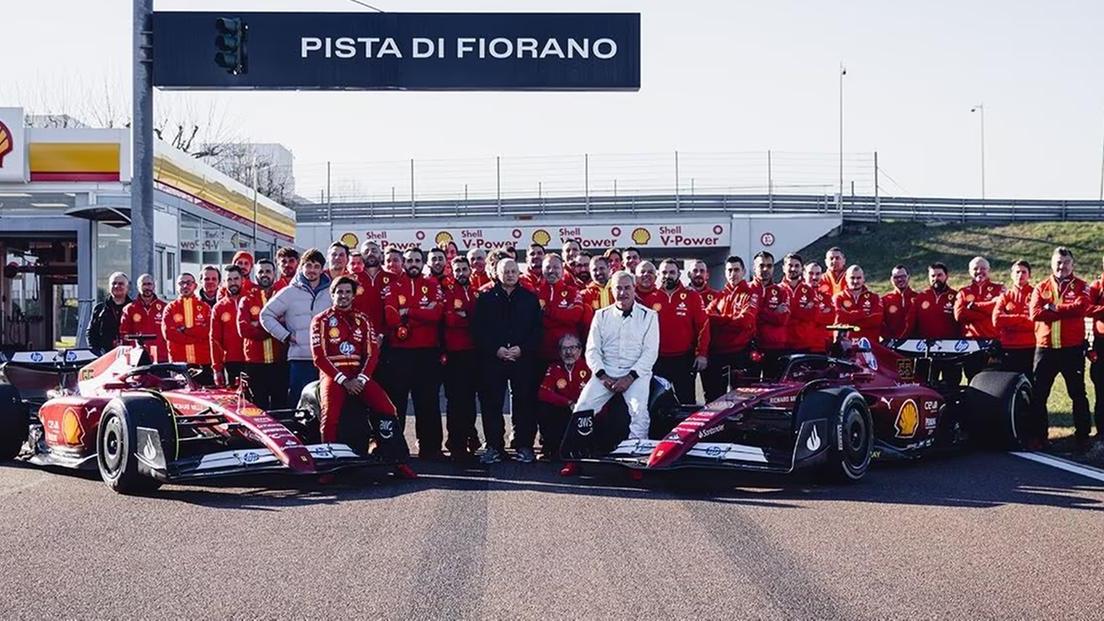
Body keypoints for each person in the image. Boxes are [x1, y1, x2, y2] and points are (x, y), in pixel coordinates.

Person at [310, 276, 416, 481]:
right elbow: (319, 357)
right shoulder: (321, 320)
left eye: (347, 292)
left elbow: (372, 354)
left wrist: (361, 379)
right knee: (330, 415)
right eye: (339, 292)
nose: (343, 296)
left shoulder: (363, 319)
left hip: (359, 375)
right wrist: (343, 380)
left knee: (388, 408)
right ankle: (329, 466)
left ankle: (397, 459)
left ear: (353, 294)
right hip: (334, 375)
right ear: (332, 294)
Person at [562, 270, 659, 475]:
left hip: (636, 374)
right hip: (605, 373)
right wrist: (602, 376)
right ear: (612, 290)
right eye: (618, 288)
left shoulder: (649, 316)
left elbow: (650, 353)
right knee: (582, 408)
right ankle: (575, 457)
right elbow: (592, 350)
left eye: (627, 288)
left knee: (639, 412)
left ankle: (636, 461)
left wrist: (630, 377)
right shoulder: (601, 315)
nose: (622, 293)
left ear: (634, 289)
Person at [472, 258, 543, 464]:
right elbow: (478, 330)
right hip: (494, 359)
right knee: (491, 404)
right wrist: (496, 349)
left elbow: (537, 330)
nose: (510, 274)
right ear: (496, 272)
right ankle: (494, 446)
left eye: (513, 271)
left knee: (524, 403)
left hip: (523, 359)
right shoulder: (485, 298)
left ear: (518, 273)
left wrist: (522, 349)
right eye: (506, 271)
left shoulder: (530, 298)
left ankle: (524, 445)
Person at [381, 248, 445, 459]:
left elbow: (436, 314)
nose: (413, 264)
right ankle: (396, 448)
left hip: (427, 353)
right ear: (404, 263)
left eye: (417, 260)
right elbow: (391, 318)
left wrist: (409, 311)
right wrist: (422, 313)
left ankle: (431, 448)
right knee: (397, 402)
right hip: (400, 353)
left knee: (428, 402)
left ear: (423, 262)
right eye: (409, 261)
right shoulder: (392, 286)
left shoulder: (432, 285)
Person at [1030, 247, 1093, 452]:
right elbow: (1035, 314)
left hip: (1071, 350)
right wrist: (1065, 311)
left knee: (1078, 394)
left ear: (1072, 265)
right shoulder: (1041, 286)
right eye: (1058, 262)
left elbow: (1081, 308)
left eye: (1066, 262)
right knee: (1039, 394)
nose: (1062, 266)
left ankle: (1082, 436)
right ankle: (1040, 436)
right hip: (1045, 349)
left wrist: (1054, 309)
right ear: (1051, 264)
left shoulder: (1082, 285)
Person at [261, 248, 332, 407]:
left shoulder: (331, 293)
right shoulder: (290, 292)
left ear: (322, 269)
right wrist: (286, 336)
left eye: (316, 266)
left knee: (325, 403)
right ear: (302, 267)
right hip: (300, 358)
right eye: (308, 265)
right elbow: (265, 315)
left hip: (327, 359)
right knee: (299, 402)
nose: (312, 270)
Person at [638, 258, 709, 404]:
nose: (668, 276)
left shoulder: (692, 296)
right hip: (657, 361)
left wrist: (701, 354)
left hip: (683, 360)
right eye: (664, 272)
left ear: (679, 274)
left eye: (672, 272)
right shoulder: (651, 298)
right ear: (658, 274)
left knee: (687, 401)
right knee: (658, 401)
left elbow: (703, 326)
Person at [702, 256, 758, 401]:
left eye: (736, 270)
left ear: (744, 271)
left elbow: (745, 321)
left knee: (741, 398)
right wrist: (730, 319)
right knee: (714, 396)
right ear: (725, 273)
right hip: (718, 353)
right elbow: (706, 317)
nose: (733, 274)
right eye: (730, 270)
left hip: (740, 353)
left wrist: (720, 320)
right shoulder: (720, 295)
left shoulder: (750, 294)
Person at [442, 256, 480, 461]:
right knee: (456, 401)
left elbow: (478, 320)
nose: (461, 273)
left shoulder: (476, 293)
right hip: (454, 354)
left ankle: (470, 437)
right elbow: (450, 318)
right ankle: (456, 443)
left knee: (470, 401)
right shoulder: (448, 293)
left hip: (473, 354)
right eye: (457, 270)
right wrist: (464, 316)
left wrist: (465, 316)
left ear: (470, 271)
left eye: (464, 269)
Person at [238, 259, 288, 411]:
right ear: (255, 275)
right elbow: (244, 329)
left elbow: (288, 324)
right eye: (260, 271)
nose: (264, 275)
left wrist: (257, 324)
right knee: (258, 406)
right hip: (255, 363)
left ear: (275, 274)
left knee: (280, 404)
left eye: (268, 271)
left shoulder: (283, 298)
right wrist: (273, 328)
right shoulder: (246, 300)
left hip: (279, 361)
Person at [537, 333, 590, 460]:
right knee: (544, 408)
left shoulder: (589, 367)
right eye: (564, 348)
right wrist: (567, 402)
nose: (569, 352)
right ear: (559, 352)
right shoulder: (554, 368)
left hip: (584, 413)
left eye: (572, 348)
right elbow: (543, 392)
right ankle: (550, 448)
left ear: (580, 350)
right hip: (565, 411)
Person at [909, 263, 960, 386]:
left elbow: (961, 323)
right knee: (924, 385)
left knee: (952, 385)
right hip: (926, 351)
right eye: (932, 276)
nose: (935, 278)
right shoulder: (921, 297)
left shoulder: (955, 296)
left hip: (950, 351)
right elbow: (911, 324)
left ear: (946, 276)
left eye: (939, 275)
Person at [954, 256, 1004, 378]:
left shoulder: (999, 289)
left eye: (983, 268)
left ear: (989, 270)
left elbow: (999, 310)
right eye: (975, 268)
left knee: (994, 381)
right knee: (973, 379)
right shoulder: (964, 292)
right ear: (969, 271)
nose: (979, 271)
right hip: (972, 344)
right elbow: (959, 315)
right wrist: (987, 311)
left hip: (994, 343)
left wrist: (973, 307)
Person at [162, 272, 214, 385]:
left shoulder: (205, 308)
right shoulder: (170, 308)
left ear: (195, 286)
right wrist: (197, 338)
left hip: (203, 362)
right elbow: (169, 334)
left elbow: (208, 332)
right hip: (179, 365)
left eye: (188, 283)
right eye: (181, 283)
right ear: (176, 286)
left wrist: (186, 330)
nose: (185, 286)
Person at [536, 254, 585, 363]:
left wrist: (548, 311)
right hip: (543, 353)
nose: (551, 270)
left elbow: (575, 316)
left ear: (563, 270)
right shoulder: (536, 292)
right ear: (542, 270)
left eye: (556, 267)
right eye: (548, 267)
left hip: (569, 353)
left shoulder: (572, 291)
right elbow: (538, 321)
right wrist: (564, 314)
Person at [750, 251, 791, 375]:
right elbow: (749, 317)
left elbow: (782, 320)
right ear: (754, 268)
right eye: (761, 265)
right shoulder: (746, 289)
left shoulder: (782, 291)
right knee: (749, 388)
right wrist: (773, 312)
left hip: (775, 348)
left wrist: (759, 312)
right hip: (751, 346)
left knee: (773, 389)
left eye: (769, 266)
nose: (765, 269)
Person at [992, 260, 1035, 377]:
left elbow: (1036, 323)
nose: (1020, 275)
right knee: (1010, 384)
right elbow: (997, 320)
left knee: (1031, 384)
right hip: (1008, 347)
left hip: (1030, 347)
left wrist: (1009, 321)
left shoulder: (1036, 294)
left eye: (1023, 272)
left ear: (1029, 275)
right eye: (1017, 272)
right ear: (1011, 275)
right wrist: (1022, 318)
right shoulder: (1005, 296)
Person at [210, 265, 248, 387]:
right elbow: (214, 339)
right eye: (229, 280)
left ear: (242, 280)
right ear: (224, 283)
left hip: (253, 359)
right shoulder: (219, 307)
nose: (233, 283)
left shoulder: (252, 300)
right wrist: (216, 368)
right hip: (231, 361)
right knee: (234, 399)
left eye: (236, 279)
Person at [118, 273, 167, 362]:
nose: (147, 287)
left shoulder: (164, 308)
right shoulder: (130, 309)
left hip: (161, 358)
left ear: (154, 286)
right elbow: (124, 334)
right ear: (138, 287)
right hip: (138, 358)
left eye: (149, 284)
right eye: (144, 284)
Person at [788, 262, 835, 354]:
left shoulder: (826, 296)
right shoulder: (795, 293)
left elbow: (831, 318)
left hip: (820, 346)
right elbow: (793, 314)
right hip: (798, 345)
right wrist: (820, 313)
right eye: (810, 273)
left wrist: (809, 313)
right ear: (804, 274)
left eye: (817, 274)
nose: (814, 277)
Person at [832, 265, 882, 344]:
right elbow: (839, 320)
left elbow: (876, 320)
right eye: (852, 278)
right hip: (846, 346)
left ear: (863, 279)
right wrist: (862, 313)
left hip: (869, 346)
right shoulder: (838, 298)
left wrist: (848, 316)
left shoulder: (874, 298)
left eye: (858, 278)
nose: (855, 281)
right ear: (846, 278)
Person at [355, 240, 393, 332]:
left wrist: (382, 334)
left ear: (381, 256)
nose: (370, 253)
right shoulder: (352, 279)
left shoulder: (393, 279)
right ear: (361, 257)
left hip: (388, 337)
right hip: (360, 335)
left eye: (374, 251)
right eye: (366, 251)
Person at [881, 265, 917, 340]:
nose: (900, 279)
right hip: (892, 346)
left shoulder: (918, 298)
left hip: (915, 345)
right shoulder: (885, 300)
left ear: (908, 277)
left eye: (903, 276)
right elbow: (880, 324)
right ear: (891, 279)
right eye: (896, 277)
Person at [581, 255, 614, 329]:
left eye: (602, 268)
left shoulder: (618, 289)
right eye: (594, 270)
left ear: (609, 269)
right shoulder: (584, 295)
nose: (598, 272)